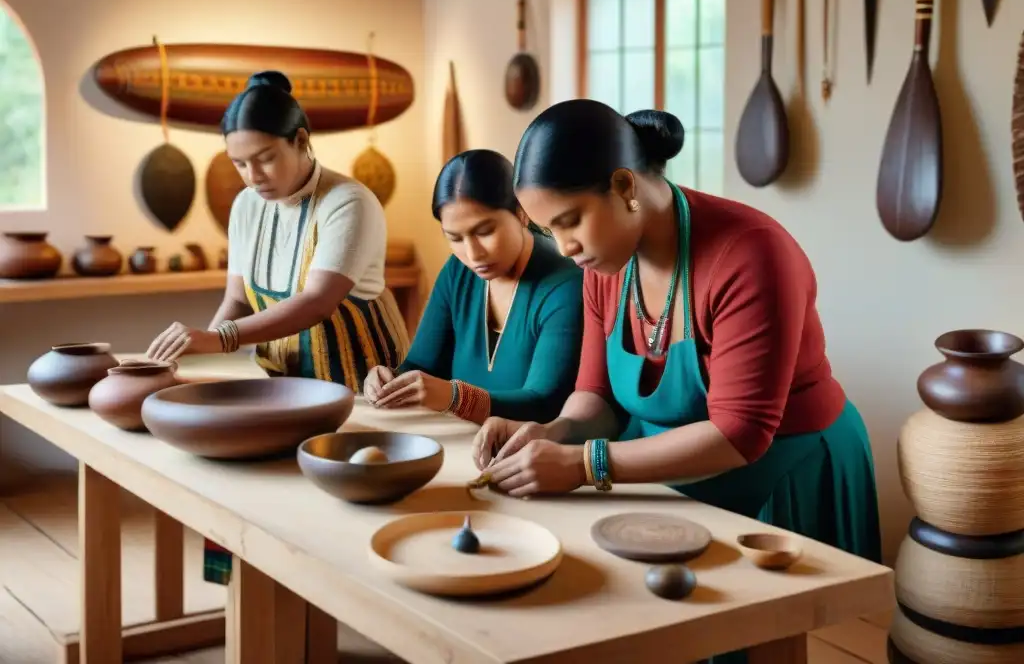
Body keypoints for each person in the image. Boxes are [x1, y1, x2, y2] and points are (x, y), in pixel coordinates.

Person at [473, 101, 881, 653]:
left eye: (570, 221)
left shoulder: (752, 253)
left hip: (780, 462)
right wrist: (554, 434)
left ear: (624, 186)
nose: (564, 248)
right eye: (549, 228)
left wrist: (583, 462)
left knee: (745, 638)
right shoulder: (605, 263)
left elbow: (740, 433)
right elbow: (594, 395)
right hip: (663, 454)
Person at [146, 70, 410, 585]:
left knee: (332, 522)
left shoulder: (349, 202)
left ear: (302, 141)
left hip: (358, 389)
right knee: (241, 494)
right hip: (279, 386)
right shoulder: (247, 205)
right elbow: (236, 300)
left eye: (265, 157)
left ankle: (342, 611)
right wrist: (193, 353)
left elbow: (315, 303)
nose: (252, 175)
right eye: (239, 162)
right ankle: (250, 610)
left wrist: (219, 340)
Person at [363, 149, 583, 425]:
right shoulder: (458, 271)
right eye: (454, 238)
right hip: (462, 445)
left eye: (484, 232)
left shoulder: (565, 283)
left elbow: (545, 403)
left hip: (534, 455)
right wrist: (388, 379)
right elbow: (422, 366)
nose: (473, 253)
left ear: (521, 213)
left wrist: (456, 397)